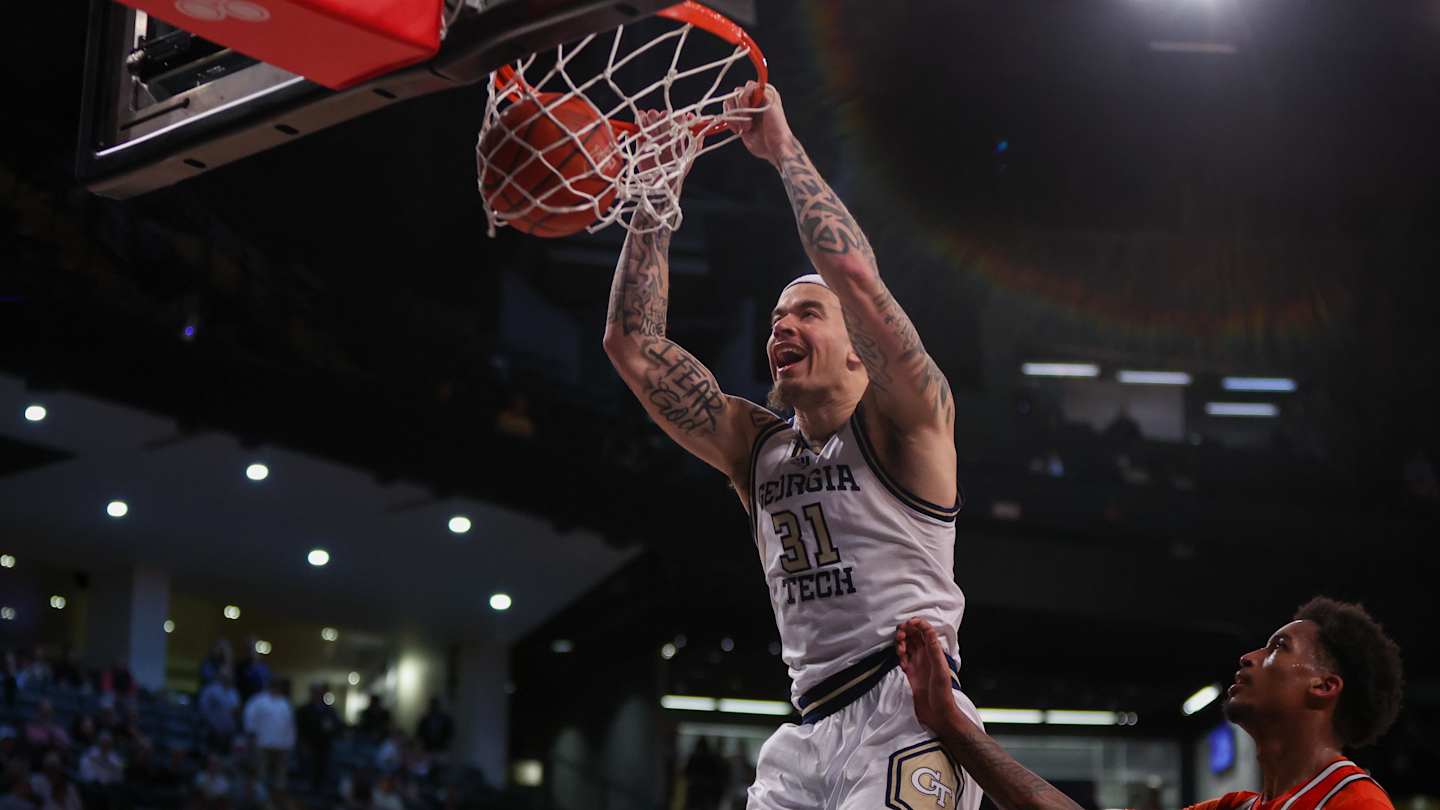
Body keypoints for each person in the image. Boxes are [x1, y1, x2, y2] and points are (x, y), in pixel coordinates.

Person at [604, 85, 980, 810]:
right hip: (808, 730)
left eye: (808, 313)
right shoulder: (757, 448)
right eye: (777, 317)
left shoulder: (907, 423)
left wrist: (782, 150)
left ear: (858, 347)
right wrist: (654, 196)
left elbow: (856, 277)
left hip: (910, 709)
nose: (782, 326)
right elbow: (631, 344)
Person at [897, 597, 1405, 810]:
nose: (1249, 657)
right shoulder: (1237, 806)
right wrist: (951, 723)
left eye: (1278, 647)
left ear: (1323, 686)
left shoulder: (1354, 802)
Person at [243, 679, 295, 792]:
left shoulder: (284, 703)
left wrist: (290, 742)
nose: (277, 689)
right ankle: (261, 794)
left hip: (282, 744)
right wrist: (251, 733)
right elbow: (249, 717)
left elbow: (290, 724)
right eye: (275, 686)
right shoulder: (258, 700)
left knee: (280, 772)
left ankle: (278, 794)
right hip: (263, 742)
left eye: (279, 687)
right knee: (262, 771)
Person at [296, 684, 340, 790]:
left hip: (325, 745)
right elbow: (299, 728)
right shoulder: (304, 709)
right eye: (315, 693)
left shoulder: (329, 710)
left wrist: (331, 729)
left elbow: (336, 726)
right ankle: (309, 788)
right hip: (309, 744)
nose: (317, 695)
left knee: (323, 768)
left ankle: (321, 789)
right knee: (308, 768)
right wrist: (302, 743)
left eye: (319, 693)